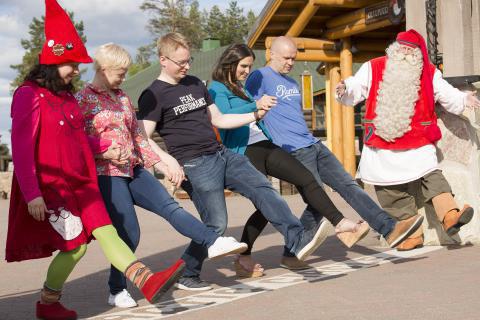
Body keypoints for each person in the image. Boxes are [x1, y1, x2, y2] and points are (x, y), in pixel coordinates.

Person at [5, 1, 184, 319]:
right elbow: (21, 147)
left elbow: (76, 139)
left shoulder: (66, 98)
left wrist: (102, 145)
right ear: (53, 62)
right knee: (76, 248)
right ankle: (48, 303)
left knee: (108, 232)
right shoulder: (28, 95)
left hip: (83, 181)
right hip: (54, 187)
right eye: (72, 64)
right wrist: (32, 193)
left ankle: (146, 281)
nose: (77, 70)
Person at [138, 32, 330, 291]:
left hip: (222, 154)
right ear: (163, 59)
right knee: (216, 224)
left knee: (262, 189)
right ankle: (186, 272)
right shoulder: (153, 94)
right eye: (181, 62)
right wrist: (167, 161)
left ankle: (296, 238)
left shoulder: (195, 83)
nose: (186, 66)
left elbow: (219, 120)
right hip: (195, 165)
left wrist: (255, 114)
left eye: (189, 60)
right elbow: (143, 137)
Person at [76, 43, 248, 308]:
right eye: (120, 72)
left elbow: (138, 137)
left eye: (125, 72)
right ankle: (116, 289)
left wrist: (163, 163)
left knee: (170, 207)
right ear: (102, 68)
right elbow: (74, 141)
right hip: (107, 174)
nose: (124, 77)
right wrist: (103, 152)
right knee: (129, 232)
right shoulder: (83, 99)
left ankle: (214, 241)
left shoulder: (122, 97)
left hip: (134, 169)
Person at [245, 36, 425, 253]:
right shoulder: (260, 76)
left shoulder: (292, 82)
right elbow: (243, 104)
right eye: (286, 58)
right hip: (291, 150)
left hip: (313, 144)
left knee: (348, 185)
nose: (290, 63)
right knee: (317, 198)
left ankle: (389, 228)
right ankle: (292, 251)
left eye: (293, 58)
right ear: (272, 54)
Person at [208, 44, 369, 278]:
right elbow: (224, 116)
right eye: (243, 66)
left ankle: (341, 224)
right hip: (243, 151)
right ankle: (244, 256)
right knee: (267, 205)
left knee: (306, 179)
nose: (246, 70)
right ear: (229, 64)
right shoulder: (216, 88)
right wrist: (256, 104)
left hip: (265, 144)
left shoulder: (239, 86)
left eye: (250, 66)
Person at [336, 29, 479, 251]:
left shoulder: (429, 72)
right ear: (393, 49)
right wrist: (346, 87)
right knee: (388, 188)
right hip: (382, 142)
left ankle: (450, 215)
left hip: (417, 140)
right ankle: (411, 235)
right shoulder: (374, 66)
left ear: (418, 53)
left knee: (432, 175)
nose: (404, 52)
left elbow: (447, 93)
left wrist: (463, 98)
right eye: (401, 48)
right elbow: (357, 85)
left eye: (410, 50)